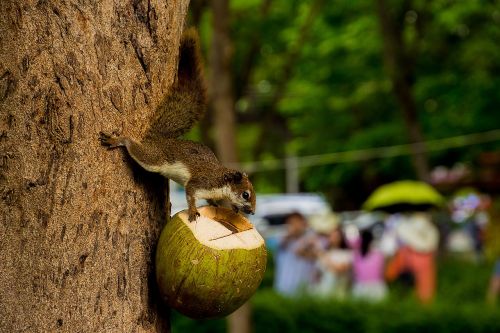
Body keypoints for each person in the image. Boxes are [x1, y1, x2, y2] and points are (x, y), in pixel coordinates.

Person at [385, 212, 439, 304]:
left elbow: (391, 273)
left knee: (408, 288)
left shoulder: (404, 248)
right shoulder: (431, 230)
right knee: (426, 290)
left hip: (409, 259)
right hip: (423, 261)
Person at [274, 212, 316, 296]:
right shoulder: (283, 239)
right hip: (284, 286)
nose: (294, 225)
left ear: (303, 223)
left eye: (297, 222)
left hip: (304, 287)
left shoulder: (311, 238)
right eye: (291, 223)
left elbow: (315, 255)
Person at [310, 226, 353, 299]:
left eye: (336, 236)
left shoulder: (347, 254)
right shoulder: (324, 253)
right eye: (331, 236)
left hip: (339, 291)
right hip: (323, 291)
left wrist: (322, 254)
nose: (334, 238)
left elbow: (340, 270)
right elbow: (317, 274)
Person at [351, 229, 387, 301]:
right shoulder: (379, 255)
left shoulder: (356, 255)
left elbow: (354, 272)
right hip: (376, 287)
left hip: (360, 287)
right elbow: (382, 272)